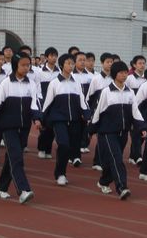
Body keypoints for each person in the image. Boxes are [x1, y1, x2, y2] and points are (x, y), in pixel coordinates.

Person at [0, 53, 39, 204]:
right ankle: (23, 190)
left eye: (28, 65)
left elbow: (35, 105)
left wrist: (37, 119)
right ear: (15, 66)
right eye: (23, 65)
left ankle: (1, 187)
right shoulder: (6, 84)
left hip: (24, 127)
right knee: (17, 158)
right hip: (8, 128)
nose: (26, 68)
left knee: (11, 159)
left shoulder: (31, 84)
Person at [90, 60, 145, 199]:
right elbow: (98, 112)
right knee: (117, 159)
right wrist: (90, 130)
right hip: (107, 132)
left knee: (113, 161)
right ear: (114, 74)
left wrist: (142, 127)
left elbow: (135, 112)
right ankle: (122, 187)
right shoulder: (106, 92)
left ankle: (103, 181)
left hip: (123, 132)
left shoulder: (130, 92)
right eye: (121, 73)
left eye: (125, 72)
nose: (124, 75)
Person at [41, 53, 90, 185]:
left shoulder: (76, 83)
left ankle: (64, 169)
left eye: (72, 63)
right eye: (68, 63)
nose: (71, 66)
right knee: (63, 144)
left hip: (74, 120)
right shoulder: (54, 83)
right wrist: (41, 119)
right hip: (59, 120)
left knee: (72, 146)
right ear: (62, 65)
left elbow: (82, 100)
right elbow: (47, 102)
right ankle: (60, 174)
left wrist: (87, 115)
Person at [87, 52, 115, 170]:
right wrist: (90, 113)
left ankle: (106, 161)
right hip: (99, 113)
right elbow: (90, 97)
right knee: (102, 137)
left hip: (112, 113)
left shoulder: (115, 79)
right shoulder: (96, 79)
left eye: (111, 62)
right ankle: (97, 162)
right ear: (102, 63)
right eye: (107, 62)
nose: (110, 64)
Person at [36, 47, 60, 159]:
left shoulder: (59, 72)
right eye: (51, 56)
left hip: (55, 104)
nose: (54, 58)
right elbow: (37, 88)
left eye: (55, 56)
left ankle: (48, 150)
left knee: (52, 128)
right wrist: (40, 102)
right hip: (44, 103)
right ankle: (41, 148)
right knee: (44, 128)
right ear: (46, 57)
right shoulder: (40, 72)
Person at [125, 55, 147, 165]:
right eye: (139, 63)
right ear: (134, 65)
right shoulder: (129, 79)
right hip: (132, 110)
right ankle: (138, 156)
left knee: (142, 135)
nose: (142, 65)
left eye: (144, 63)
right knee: (135, 134)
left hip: (144, 111)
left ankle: (132, 156)